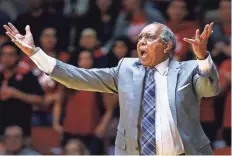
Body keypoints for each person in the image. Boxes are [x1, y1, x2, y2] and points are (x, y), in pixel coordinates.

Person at [3, 21, 219, 155]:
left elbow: (210, 89)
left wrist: (202, 58)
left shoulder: (189, 69)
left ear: (167, 46)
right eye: (140, 37)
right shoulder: (125, 69)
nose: (141, 42)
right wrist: (34, 53)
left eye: (149, 38)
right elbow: (78, 77)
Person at [0, 41, 44, 137]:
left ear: (17, 57)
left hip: (21, 129)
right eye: (3, 54)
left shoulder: (27, 74)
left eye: (11, 54)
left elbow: (40, 100)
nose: (7, 58)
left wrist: (16, 94)